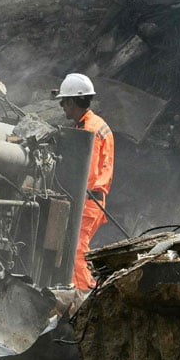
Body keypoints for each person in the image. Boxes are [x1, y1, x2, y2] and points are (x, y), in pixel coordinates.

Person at [55, 72, 113, 291]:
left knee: (76, 251)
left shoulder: (89, 131)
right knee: (74, 248)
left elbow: (87, 174)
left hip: (88, 201)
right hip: (92, 200)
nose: (62, 107)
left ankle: (82, 296)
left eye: (63, 101)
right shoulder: (92, 124)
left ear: (72, 102)